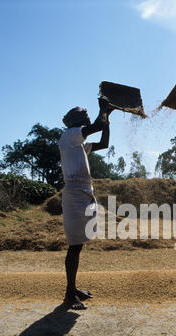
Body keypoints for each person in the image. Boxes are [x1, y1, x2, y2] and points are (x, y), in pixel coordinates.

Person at [59, 98, 113, 310]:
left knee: (78, 244)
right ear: (77, 121)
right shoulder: (70, 134)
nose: (88, 122)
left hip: (82, 193)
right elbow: (97, 126)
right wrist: (105, 112)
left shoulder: (77, 142)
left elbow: (104, 143)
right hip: (74, 194)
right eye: (85, 119)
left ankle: (73, 289)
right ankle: (69, 294)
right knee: (74, 246)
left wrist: (107, 117)